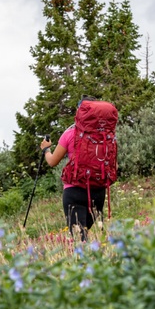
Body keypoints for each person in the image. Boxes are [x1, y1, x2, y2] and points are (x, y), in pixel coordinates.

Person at [39, 96, 106, 241]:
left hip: (74, 191)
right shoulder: (105, 135)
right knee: (86, 233)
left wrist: (46, 150)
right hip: (98, 191)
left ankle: (82, 260)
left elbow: (52, 162)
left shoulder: (69, 134)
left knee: (79, 239)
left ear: (79, 111)